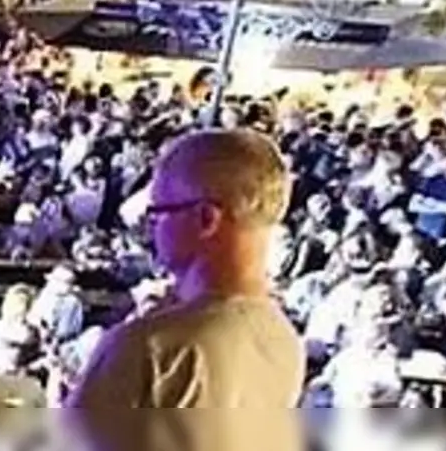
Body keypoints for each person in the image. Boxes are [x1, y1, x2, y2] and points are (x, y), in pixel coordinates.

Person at [69, 130, 303, 443]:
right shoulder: (285, 339)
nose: (150, 227)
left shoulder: (151, 348)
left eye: (158, 213)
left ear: (207, 218)